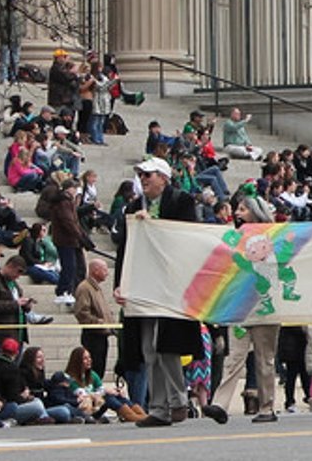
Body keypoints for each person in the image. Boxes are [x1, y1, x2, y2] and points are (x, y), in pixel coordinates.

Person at [114, 156, 224, 426]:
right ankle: (159, 407)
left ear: (163, 178)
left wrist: (153, 223)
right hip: (143, 284)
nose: (143, 180)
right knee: (147, 347)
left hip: (173, 284)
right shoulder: (132, 207)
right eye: (141, 176)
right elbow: (124, 249)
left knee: (167, 345)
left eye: (148, 175)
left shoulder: (181, 201)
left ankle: (177, 401)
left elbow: (185, 237)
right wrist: (120, 283)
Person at [73, 258, 112, 376]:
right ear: (95, 271)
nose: (107, 273)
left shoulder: (96, 288)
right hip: (93, 335)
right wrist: (100, 323)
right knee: (94, 369)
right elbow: (81, 312)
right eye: (104, 270)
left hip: (102, 335)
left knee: (100, 368)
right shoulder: (85, 288)